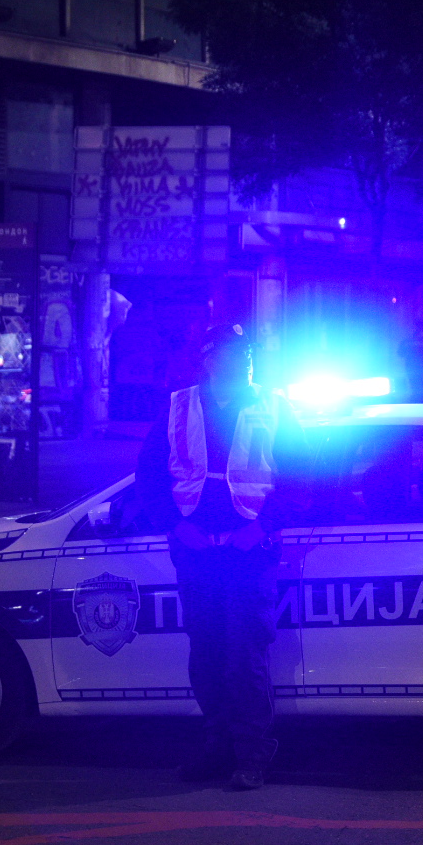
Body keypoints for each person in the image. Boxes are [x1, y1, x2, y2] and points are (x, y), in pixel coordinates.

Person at [136, 322, 307, 790]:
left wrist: (261, 528)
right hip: (195, 554)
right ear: (208, 359)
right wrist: (175, 526)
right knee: (206, 653)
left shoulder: (274, 406)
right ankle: (216, 750)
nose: (238, 363)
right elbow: (149, 478)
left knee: (245, 655)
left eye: (244, 355)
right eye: (228, 354)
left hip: (250, 553)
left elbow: (303, 477)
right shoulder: (177, 406)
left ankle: (253, 754)